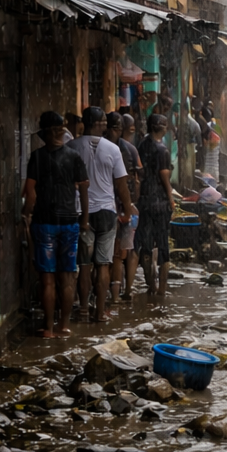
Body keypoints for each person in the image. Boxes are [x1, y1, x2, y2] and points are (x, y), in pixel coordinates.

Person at [21, 111, 89, 338]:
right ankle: (64, 325)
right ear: (61, 132)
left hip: (44, 223)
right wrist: (85, 218)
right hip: (69, 223)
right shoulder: (74, 157)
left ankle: (48, 328)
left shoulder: (37, 158)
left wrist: (26, 214)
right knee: (67, 277)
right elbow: (84, 189)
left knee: (47, 279)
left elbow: (30, 192)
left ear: (45, 134)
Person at [71, 107, 131, 324]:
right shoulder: (113, 149)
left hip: (81, 212)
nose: (107, 124)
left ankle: (84, 309)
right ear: (96, 123)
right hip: (106, 211)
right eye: (104, 120)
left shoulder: (72, 147)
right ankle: (100, 311)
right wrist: (127, 207)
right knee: (103, 264)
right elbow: (121, 184)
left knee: (84, 265)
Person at [136, 112, 176, 302]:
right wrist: (171, 198)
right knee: (162, 244)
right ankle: (161, 289)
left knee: (146, 243)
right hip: (159, 202)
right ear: (160, 128)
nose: (167, 128)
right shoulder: (163, 150)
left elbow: (140, 172)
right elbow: (164, 177)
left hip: (144, 200)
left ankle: (150, 285)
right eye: (166, 125)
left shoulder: (142, 146)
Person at [107, 112, 142, 303]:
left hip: (108, 207)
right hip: (124, 207)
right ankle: (124, 291)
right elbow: (134, 180)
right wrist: (130, 206)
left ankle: (108, 295)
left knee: (109, 255)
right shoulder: (129, 150)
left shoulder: (98, 148)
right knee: (125, 253)